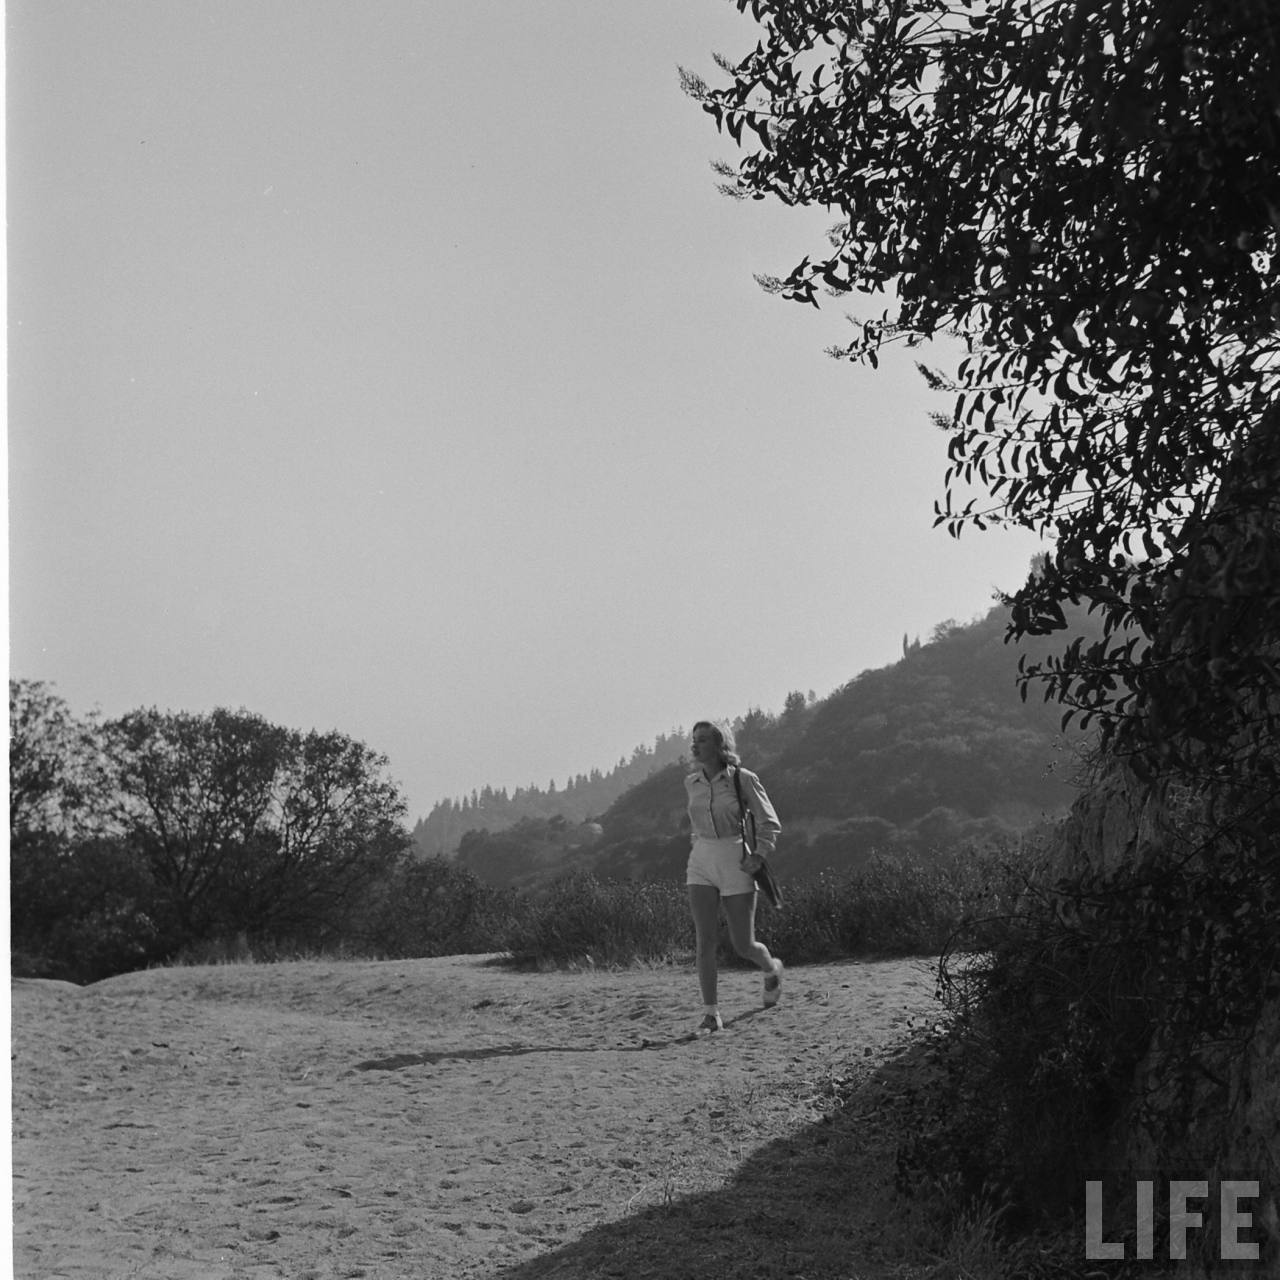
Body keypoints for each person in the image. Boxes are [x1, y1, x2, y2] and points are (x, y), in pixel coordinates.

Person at [685, 720, 783, 1032]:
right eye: (694, 740)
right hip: (701, 860)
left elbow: (769, 821)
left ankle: (771, 969)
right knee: (705, 940)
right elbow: (695, 821)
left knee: (742, 945)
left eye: (702, 740)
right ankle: (711, 1014)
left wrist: (759, 855)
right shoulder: (692, 782)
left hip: (735, 859)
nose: (696, 746)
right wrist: (697, 846)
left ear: (719, 744)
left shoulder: (743, 779)